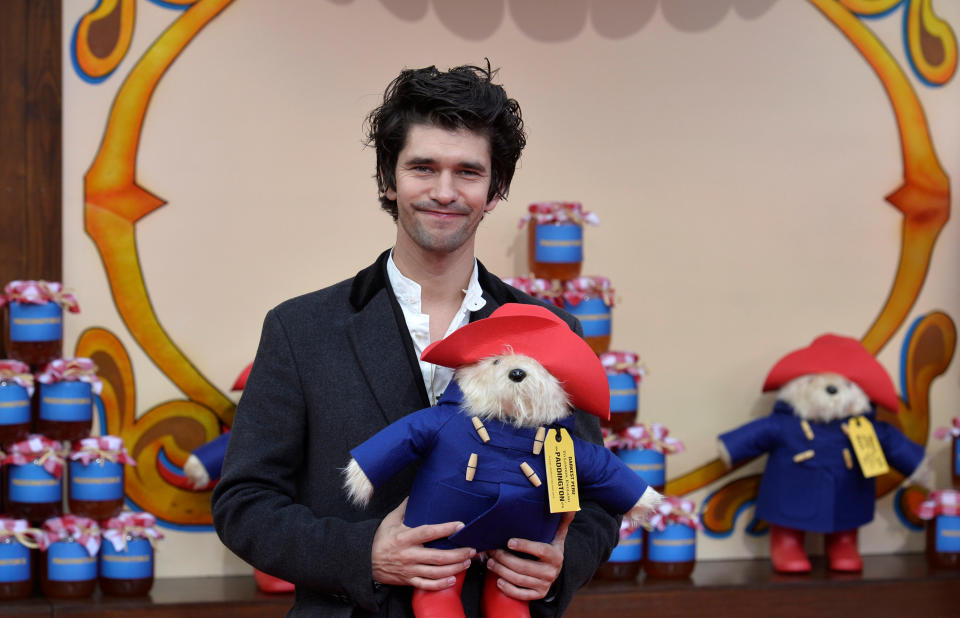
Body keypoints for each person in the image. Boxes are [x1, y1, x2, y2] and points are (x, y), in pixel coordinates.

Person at [211, 62, 620, 617]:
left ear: (495, 188)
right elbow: (244, 503)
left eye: (468, 172)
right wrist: (363, 554)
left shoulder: (551, 331)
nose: (444, 191)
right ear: (389, 178)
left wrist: (561, 559)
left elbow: (594, 493)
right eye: (423, 167)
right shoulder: (300, 328)